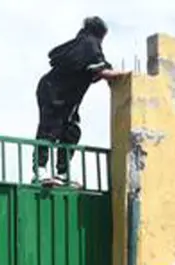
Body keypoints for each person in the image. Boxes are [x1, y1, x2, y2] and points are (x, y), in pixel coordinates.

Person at [33, 17, 122, 185]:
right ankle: (40, 170)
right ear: (100, 34)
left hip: (65, 97)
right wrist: (125, 76)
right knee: (50, 128)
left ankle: (62, 172)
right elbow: (103, 71)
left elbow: (100, 68)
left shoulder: (85, 45)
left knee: (71, 131)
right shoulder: (88, 44)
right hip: (53, 91)